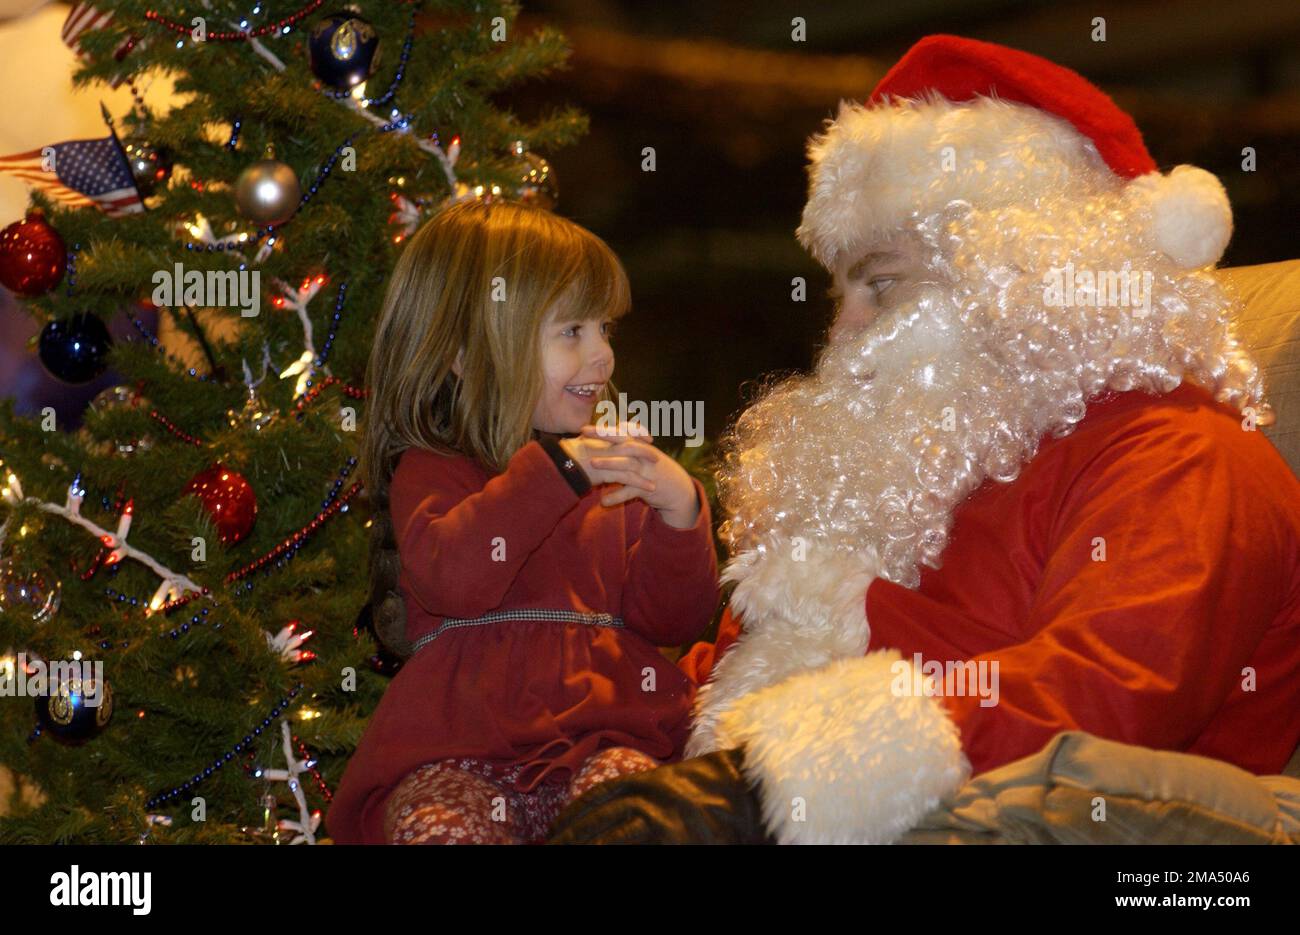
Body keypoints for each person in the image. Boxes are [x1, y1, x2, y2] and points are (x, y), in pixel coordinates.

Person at [547, 34, 1300, 845]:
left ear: (1020, 278)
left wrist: (765, 782)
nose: (843, 332)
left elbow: (1100, 699)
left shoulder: (1178, 457)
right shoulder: (910, 473)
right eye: (842, 291)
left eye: (881, 284)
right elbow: (751, 671)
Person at [326, 199, 718, 844]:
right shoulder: (434, 468)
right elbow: (454, 580)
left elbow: (669, 621)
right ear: (463, 352)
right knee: (437, 830)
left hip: (601, 739)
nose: (603, 357)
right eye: (572, 333)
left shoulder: (609, 473)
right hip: (459, 753)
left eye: (604, 330)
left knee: (645, 818)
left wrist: (679, 513)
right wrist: (552, 474)